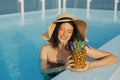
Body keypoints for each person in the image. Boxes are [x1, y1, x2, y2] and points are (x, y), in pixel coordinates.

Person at [40, 13, 118, 79]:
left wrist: (90, 65)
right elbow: (43, 70)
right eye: (61, 29)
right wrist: (63, 67)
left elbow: (113, 59)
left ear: (72, 34)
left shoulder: (80, 48)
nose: (64, 34)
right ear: (56, 30)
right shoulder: (45, 49)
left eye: (69, 31)